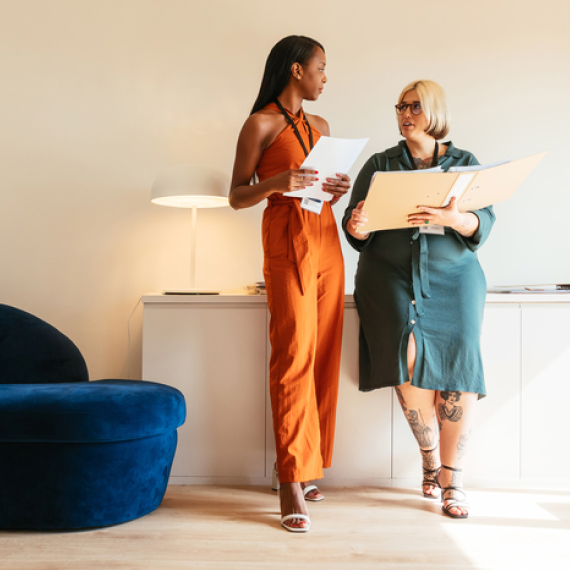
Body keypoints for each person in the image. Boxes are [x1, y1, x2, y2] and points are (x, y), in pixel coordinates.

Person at [342, 80, 495, 519]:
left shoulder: (465, 164)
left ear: (434, 112)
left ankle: (453, 477)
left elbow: (482, 225)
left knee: (460, 364)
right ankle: (430, 460)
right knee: (406, 360)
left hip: (455, 278)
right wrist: (357, 225)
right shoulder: (380, 164)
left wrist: (455, 217)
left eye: (414, 106)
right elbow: (356, 231)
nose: (405, 114)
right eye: (400, 107)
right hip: (389, 276)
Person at [229, 35, 350, 532]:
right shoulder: (259, 124)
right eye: (321, 67)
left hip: (325, 240)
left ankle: (309, 462)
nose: (326, 76)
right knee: (293, 354)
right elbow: (236, 196)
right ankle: (289, 480)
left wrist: (335, 190)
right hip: (285, 242)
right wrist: (277, 183)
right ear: (297, 69)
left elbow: (321, 192)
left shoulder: (321, 126)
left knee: (322, 352)